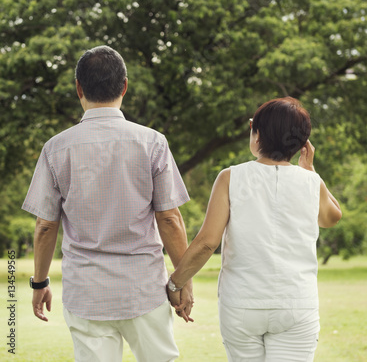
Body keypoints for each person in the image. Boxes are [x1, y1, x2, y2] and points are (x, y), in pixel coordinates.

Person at [22, 45, 194, 362]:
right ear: (124, 85)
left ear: (79, 88)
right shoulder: (153, 142)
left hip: (87, 294)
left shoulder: (55, 148)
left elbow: (46, 226)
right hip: (143, 290)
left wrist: (40, 282)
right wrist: (182, 282)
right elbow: (170, 219)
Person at [167, 97, 342, 362]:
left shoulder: (230, 177)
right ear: (301, 143)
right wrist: (310, 171)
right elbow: (332, 217)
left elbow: (206, 243)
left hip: (241, 304)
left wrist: (175, 283)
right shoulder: (311, 182)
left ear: (256, 134)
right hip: (296, 304)